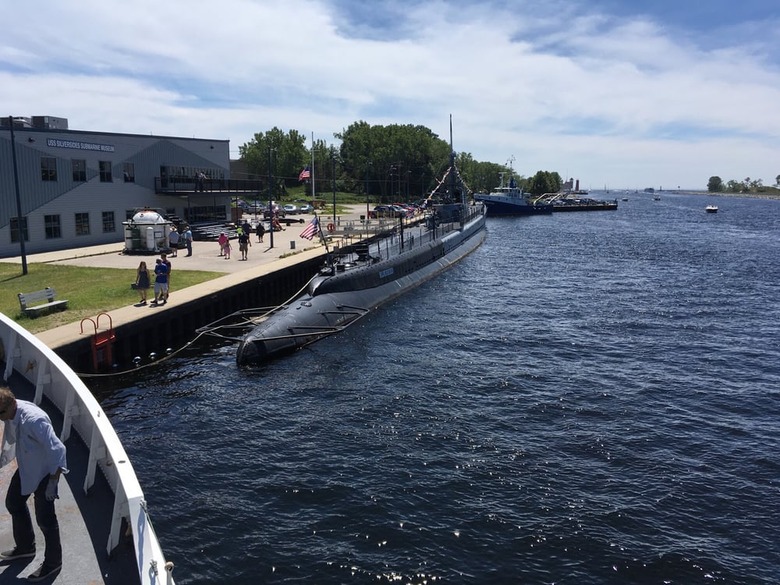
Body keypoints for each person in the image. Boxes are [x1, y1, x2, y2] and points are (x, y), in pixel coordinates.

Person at [0, 386, 68, 582]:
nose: (0, 418)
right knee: (14, 503)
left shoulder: (34, 420)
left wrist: (53, 483)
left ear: (13, 403)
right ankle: (26, 548)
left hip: (45, 473)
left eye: (1, 413)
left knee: (46, 520)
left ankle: (54, 563)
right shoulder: (11, 413)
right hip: (27, 467)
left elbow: (58, 450)